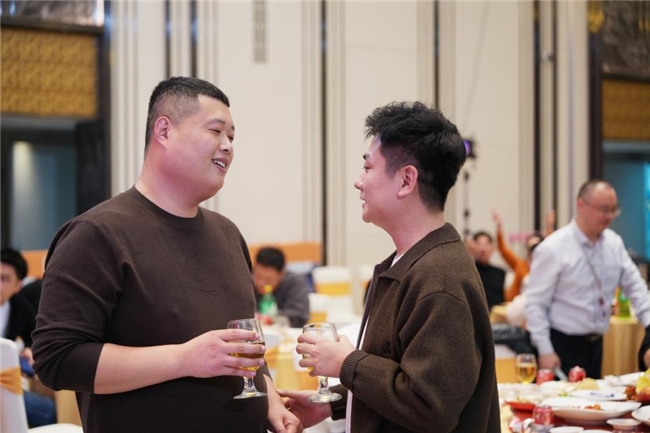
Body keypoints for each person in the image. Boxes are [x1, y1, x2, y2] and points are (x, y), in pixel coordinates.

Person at [31, 77, 301, 433]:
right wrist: (184, 359)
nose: (227, 146)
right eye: (216, 131)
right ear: (164, 131)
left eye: (232, 137)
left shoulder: (227, 233)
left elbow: (243, 346)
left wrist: (270, 399)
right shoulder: (97, 234)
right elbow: (57, 359)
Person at [279, 101, 500, 432]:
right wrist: (334, 403)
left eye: (368, 168)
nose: (358, 182)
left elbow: (430, 406)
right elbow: (399, 374)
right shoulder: (413, 262)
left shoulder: (440, 277)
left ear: (406, 180)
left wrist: (347, 362)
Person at [525, 179, 650, 379]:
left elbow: (636, 288)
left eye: (614, 210)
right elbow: (535, 304)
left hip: (597, 344)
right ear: (581, 205)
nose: (609, 216)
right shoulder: (553, 247)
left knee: (592, 395)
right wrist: (545, 349)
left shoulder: (614, 243)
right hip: (561, 345)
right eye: (604, 209)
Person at [1, 247, 57, 428]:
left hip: (4, 384)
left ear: (18, 286)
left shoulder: (19, 307)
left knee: (48, 411)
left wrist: (29, 348)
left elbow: (34, 334)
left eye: (3, 279)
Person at [253, 246, 310, 328]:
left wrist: (270, 318)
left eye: (268, 279)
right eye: (258, 277)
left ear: (281, 274)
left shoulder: (295, 282)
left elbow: (299, 315)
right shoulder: (248, 282)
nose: (261, 283)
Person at [473, 231, 506, 311]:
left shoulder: (500, 273)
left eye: (486, 244)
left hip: (497, 315)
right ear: (473, 247)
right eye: (479, 244)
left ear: (492, 248)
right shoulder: (470, 272)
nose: (483, 249)